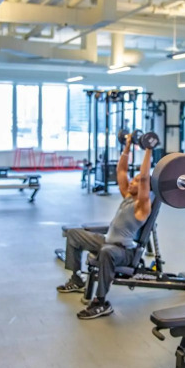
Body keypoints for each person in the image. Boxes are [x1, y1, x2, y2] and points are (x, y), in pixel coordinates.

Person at [57, 134, 152, 320]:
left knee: (107, 252)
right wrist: (127, 146)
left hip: (124, 252)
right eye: (133, 180)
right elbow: (121, 171)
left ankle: (101, 302)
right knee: (73, 234)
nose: (132, 182)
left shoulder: (142, 206)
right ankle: (76, 279)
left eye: (136, 181)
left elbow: (144, 178)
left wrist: (148, 149)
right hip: (107, 241)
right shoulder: (127, 195)